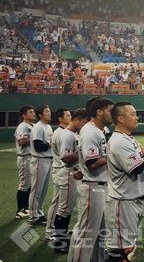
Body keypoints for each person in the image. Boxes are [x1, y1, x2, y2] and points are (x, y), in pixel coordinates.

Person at [68, 97, 114, 262]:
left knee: (99, 233)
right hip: (93, 187)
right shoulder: (90, 131)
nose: (113, 114)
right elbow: (92, 162)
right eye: (110, 110)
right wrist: (114, 156)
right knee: (87, 233)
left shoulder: (102, 130)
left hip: (101, 185)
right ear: (99, 112)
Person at [106, 102, 144, 262]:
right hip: (123, 203)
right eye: (132, 114)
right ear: (120, 119)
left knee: (127, 250)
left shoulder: (126, 138)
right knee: (120, 253)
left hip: (131, 201)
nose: (136, 117)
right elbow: (136, 167)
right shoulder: (119, 141)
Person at [51, 108, 90, 254]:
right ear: (77, 119)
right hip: (68, 173)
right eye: (84, 122)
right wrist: (83, 154)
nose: (85, 125)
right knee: (64, 209)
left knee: (67, 208)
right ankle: (59, 242)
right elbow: (65, 157)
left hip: (73, 173)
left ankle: (63, 239)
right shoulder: (67, 135)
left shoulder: (72, 133)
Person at [46, 108, 71, 240]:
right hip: (59, 169)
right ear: (60, 119)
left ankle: (57, 229)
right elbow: (64, 156)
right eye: (67, 115)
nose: (70, 117)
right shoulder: (60, 132)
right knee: (57, 202)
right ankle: (50, 231)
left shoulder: (64, 132)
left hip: (61, 169)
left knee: (61, 203)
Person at [28, 104, 53, 227]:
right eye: (47, 112)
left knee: (43, 189)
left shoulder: (48, 127)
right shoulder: (38, 127)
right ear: (40, 115)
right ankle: (33, 217)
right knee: (37, 189)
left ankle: (39, 213)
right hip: (39, 159)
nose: (49, 113)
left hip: (48, 160)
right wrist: (50, 145)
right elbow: (38, 146)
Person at [15, 105, 35, 219]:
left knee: (31, 184)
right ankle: (20, 209)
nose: (33, 114)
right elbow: (21, 141)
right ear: (24, 115)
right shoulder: (23, 126)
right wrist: (36, 139)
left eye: (33, 112)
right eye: (30, 112)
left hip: (33, 157)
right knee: (24, 184)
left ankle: (26, 207)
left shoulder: (34, 126)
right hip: (24, 157)